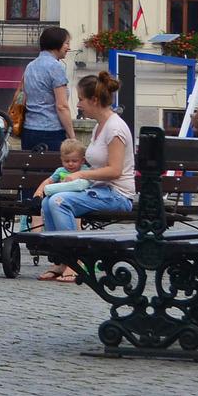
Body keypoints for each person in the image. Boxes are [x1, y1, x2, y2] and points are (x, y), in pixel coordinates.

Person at [35, 71, 135, 282]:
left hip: (117, 194)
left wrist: (80, 173)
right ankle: (62, 261)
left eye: (81, 99)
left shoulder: (115, 129)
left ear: (94, 100)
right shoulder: (99, 127)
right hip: (100, 190)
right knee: (48, 202)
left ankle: (77, 262)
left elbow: (115, 170)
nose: (78, 105)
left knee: (60, 202)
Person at [17, 26, 74, 229]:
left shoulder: (30, 66)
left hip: (30, 131)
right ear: (57, 44)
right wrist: (71, 135)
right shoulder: (56, 67)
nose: (68, 47)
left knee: (32, 178)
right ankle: (48, 226)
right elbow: (61, 105)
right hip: (51, 132)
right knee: (54, 180)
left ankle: (29, 222)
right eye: (66, 43)